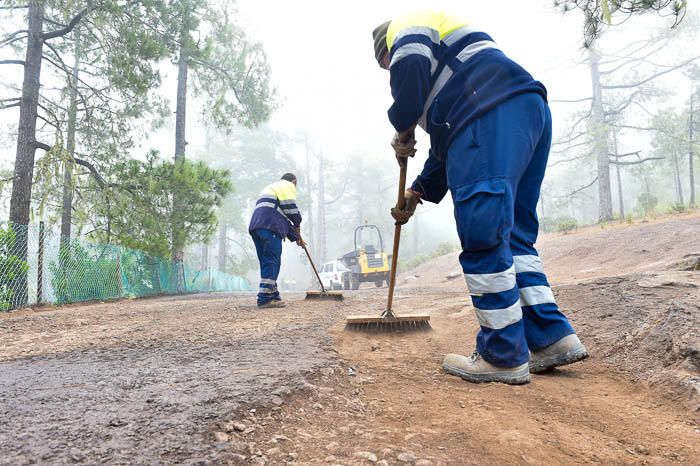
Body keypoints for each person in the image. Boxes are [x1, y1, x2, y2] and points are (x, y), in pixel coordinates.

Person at [372, 10, 588, 384]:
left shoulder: (405, 29)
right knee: (515, 235)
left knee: (483, 231)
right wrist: (417, 191)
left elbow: (409, 81)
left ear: (385, 53)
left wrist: (403, 128)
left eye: (385, 66)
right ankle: (550, 337)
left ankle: (501, 354)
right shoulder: (455, 70)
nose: (389, 72)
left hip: (486, 115)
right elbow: (450, 142)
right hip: (524, 110)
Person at [248, 173, 305, 308]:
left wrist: (297, 238)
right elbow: (291, 209)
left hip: (257, 227)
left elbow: (281, 216)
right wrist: (298, 222)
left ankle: (273, 294)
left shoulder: (272, 189)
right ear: (294, 181)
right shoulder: (287, 185)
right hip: (270, 227)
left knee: (266, 261)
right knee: (272, 261)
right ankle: (264, 299)